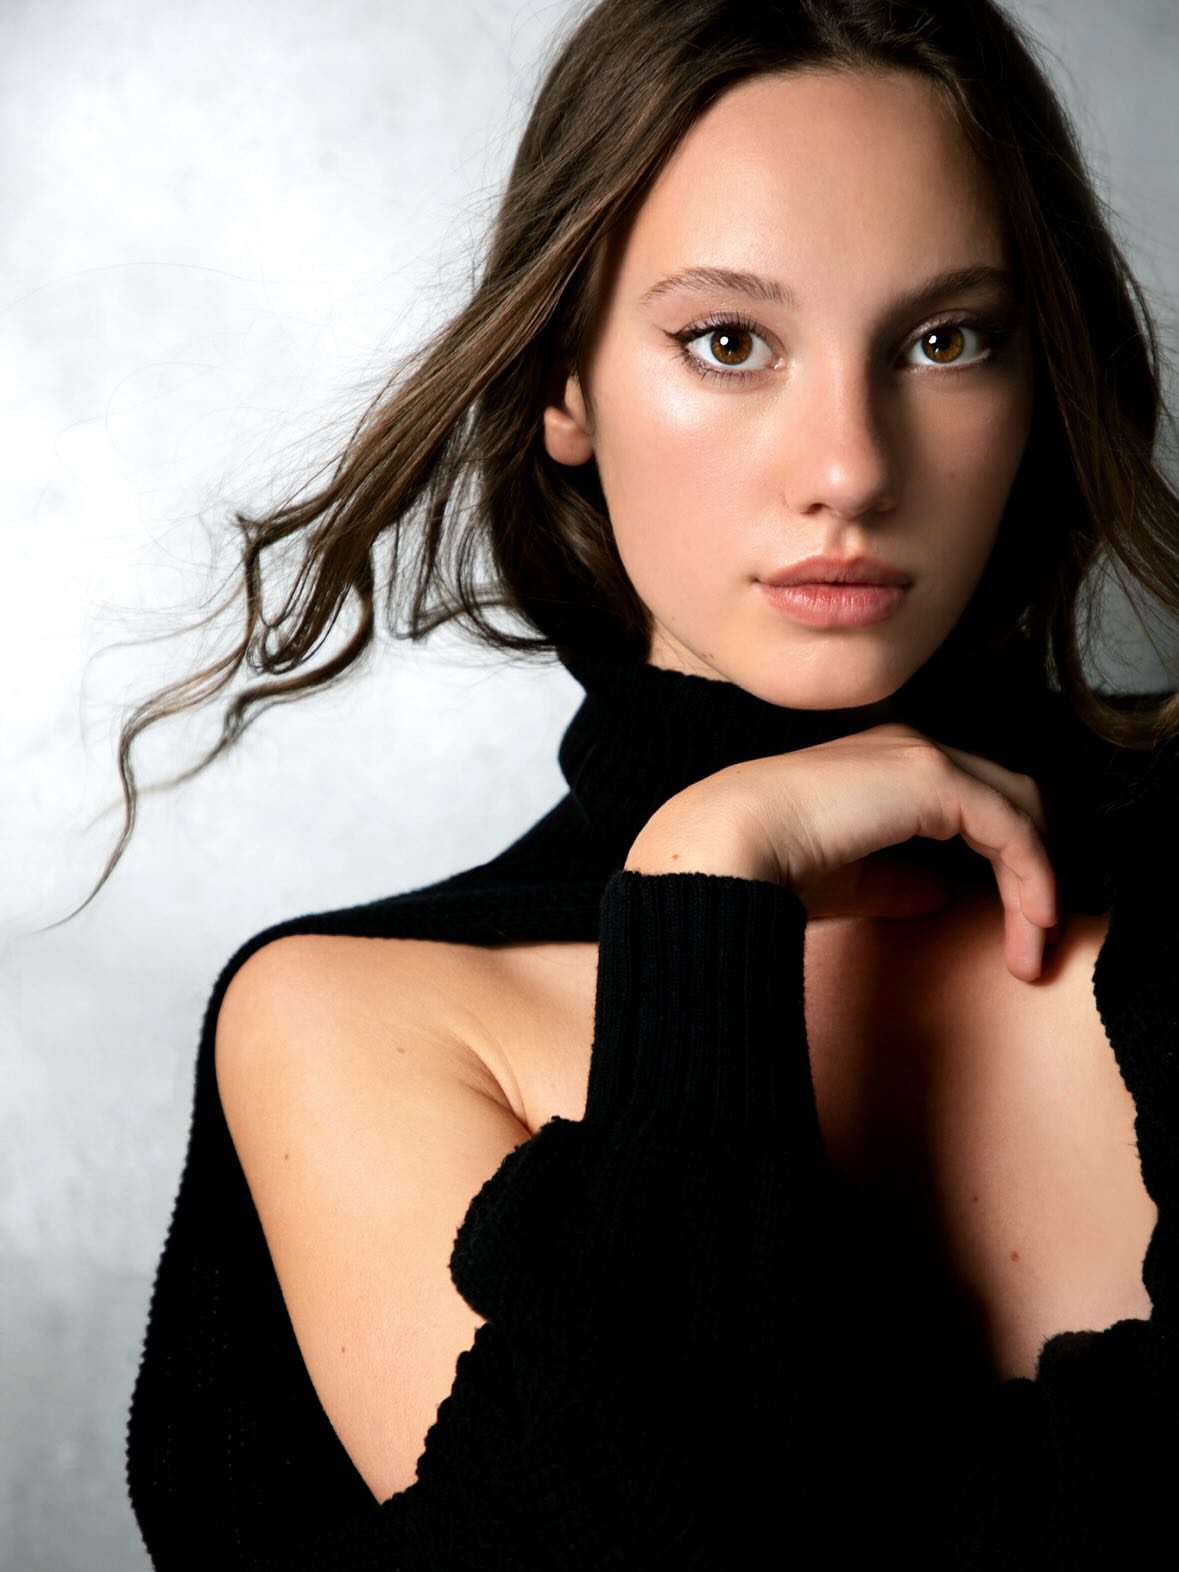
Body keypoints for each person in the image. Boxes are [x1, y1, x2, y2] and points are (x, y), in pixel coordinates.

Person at [121, 0, 1179, 1565]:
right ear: (564, 382)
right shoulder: (354, 1017)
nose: (850, 468)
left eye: (946, 339)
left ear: (1041, 378)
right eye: (729, 343)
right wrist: (702, 898)